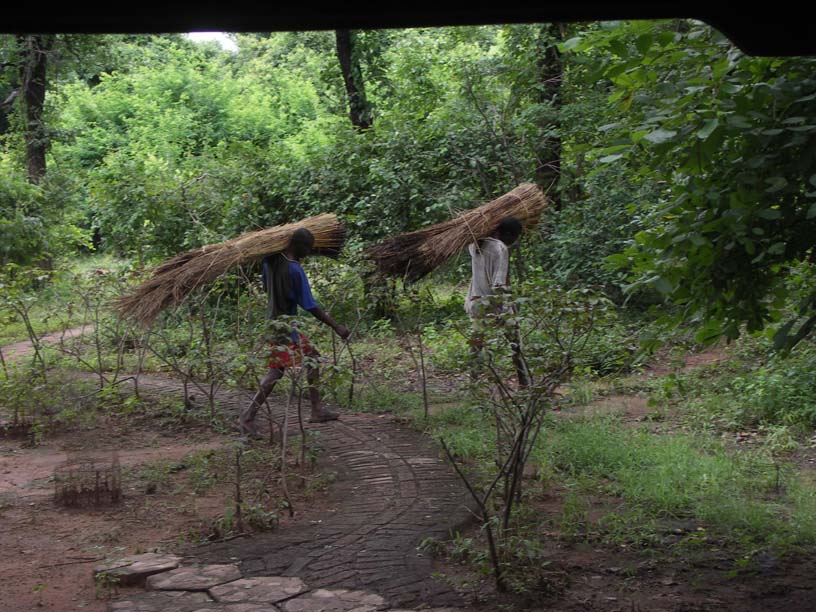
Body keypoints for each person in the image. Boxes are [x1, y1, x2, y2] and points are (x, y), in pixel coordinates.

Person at [238, 228, 350, 438]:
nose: (308, 253)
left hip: (275, 323)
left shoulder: (270, 262)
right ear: (298, 245)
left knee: (312, 358)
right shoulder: (294, 270)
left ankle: (317, 409)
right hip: (285, 328)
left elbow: (265, 287)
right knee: (276, 371)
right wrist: (337, 327)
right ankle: (247, 417)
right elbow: (310, 306)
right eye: (307, 248)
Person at [465, 216, 530, 387]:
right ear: (506, 234)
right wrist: (503, 310)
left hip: (476, 303)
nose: (514, 241)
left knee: (477, 343)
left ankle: (473, 382)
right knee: (515, 341)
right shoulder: (499, 248)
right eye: (514, 236)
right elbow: (499, 284)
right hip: (494, 304)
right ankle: (524, 382)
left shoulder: (474, 245)